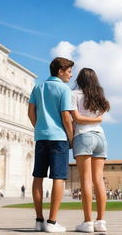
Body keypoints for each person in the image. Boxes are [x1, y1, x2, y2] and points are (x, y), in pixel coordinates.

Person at [28, 57, 74, 233]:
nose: (70, 76)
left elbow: (30, 112)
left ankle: (39, 220)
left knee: (38, 177)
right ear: (60, 71)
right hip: (59, 138)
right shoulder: (64, 89)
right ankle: (52, 222)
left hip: (41, 137)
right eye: (69, 72)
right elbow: (65, 117)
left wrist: (39, 127)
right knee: (59, 178)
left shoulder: (38, 87)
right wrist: (71, 137)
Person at [71, 68, 110, 233]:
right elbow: (100, 118)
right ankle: (101, 221)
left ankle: (87, 222)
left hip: (83, 136)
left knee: (85, 180)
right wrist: (95, 119)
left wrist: (83, 119)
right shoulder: (99, 97)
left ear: (79, 80)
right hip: (100, 136)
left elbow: (77, 118)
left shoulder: (74, 95)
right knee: (99, 180)